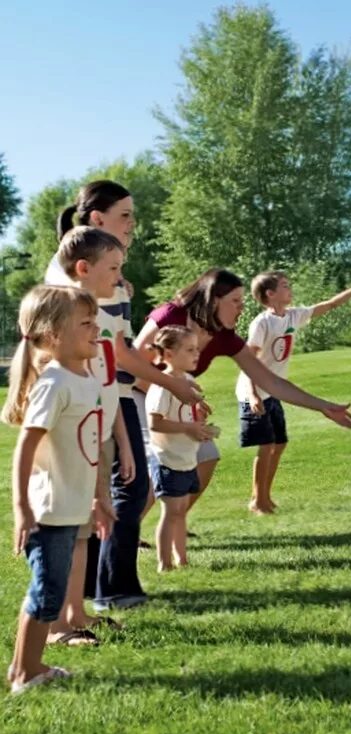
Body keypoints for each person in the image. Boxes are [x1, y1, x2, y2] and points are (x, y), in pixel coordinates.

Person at [49, 181, 204, 613]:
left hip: (111, 399)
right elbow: (116, 353)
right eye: (125, 215)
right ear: (96, 219)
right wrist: (171, 382)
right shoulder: (79, 280)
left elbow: (117, 348)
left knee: (122, 490)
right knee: (108, 495)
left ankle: (100, 590)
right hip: (92, 400)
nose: (133, 223)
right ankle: (103, 592)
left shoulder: (103, 280)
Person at [133, 268, 351, 517]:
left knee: (207, 456)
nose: (241, 307)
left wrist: (322, 406)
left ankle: (173, 525)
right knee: (161, 458)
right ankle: (129, 536)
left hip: (174, 401)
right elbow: (133, 360)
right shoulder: (171, 315)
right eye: (235, 301)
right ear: (214, 299)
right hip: (135, 395)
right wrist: (176, 388)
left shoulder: (224, 336)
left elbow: (270, 381)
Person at [2, 286, 115, 694]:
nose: (95, 329)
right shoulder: (54, 383)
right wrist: (21, 509)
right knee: (47, 593)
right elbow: (26, 448)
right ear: (52, 336)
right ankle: (24, 673)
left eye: (95, 321)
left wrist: (98, 498)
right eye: (85, 323)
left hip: (70, 506)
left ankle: (27, 668)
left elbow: (86, 448)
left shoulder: (83, 377)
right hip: (48, 511)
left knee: (51, 589)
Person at [236, 271, 351, 514]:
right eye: (284, 286)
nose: (290, 289)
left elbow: (330, 305)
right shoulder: (262, 323)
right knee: (266, 446)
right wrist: (252, 395)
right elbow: (248, 362)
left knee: (279, 444)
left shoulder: (294, 316)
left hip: (275, 391)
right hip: (252, 392)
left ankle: (263, 495)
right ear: (270, 294)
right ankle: (258, 499)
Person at [47, 227, 134, 645]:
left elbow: (109, 382)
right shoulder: (61, 315)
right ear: (83, 268)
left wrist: (122, 439)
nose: (119, 277)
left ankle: (75, 612)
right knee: (64, 532)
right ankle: (55, 626)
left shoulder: (101, 315)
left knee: (86, 528)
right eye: (113, 268)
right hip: (72, 438)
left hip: (99, 434)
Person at [146, 326, 212, 572]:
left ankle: (181, 559)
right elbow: (155, 422)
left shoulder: (188, 381)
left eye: (197, 349)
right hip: (167, 459)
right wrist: (188, 428)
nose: (197, 354)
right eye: (190, 350)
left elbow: (187, 412)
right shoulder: (164, 385)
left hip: (186, 458)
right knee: (171, 512)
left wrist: (200, 417)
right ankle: (165, 564)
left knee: (181, 512)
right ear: (169, 354)